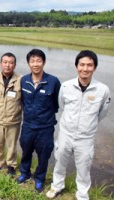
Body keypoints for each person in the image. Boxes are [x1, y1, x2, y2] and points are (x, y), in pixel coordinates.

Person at [46, 50, 111, 200]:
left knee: (84, 168)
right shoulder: (66, 86)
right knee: (60, 162)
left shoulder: (103, 90)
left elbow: (102, 113)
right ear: (76, 66)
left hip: (85, 137)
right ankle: (57, 186)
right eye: (82, 64)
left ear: (94, 67)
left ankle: (82, 195)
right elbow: (62, 105)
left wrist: (88, 125)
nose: (85, 68)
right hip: (66, 134)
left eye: (89, 65)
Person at [16, 49, 61, 193]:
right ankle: (25, 173)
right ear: (28, 63)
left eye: (38, 61)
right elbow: (22, 101)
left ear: (44, 62)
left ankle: (39, 179)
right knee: (26, 150)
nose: (35, 64)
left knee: (44, 154)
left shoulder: (53, 81)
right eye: (32, 61)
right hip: (28, 125)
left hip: (45, 127)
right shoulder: (24, 80)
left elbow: (57, 104)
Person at [0, 52, 22, 176]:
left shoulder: (20, 80)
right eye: (5, 62)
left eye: (11, 62)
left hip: (14, 120)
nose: (8, 65)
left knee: (12, 144)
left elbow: (24, 101)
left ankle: (11, 165)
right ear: (0, 64)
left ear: (15, 65)